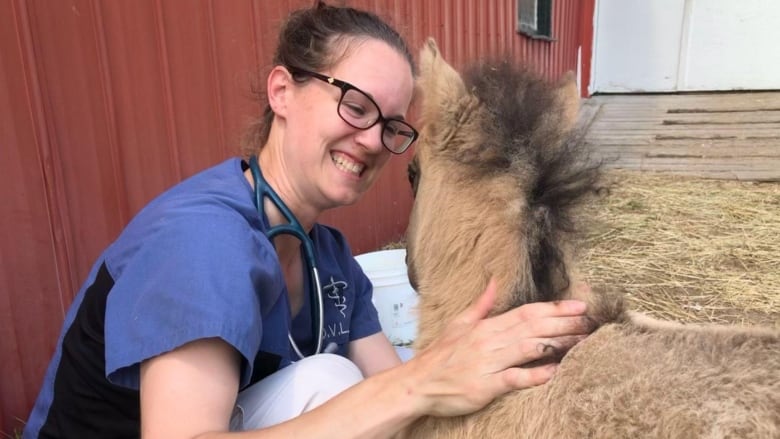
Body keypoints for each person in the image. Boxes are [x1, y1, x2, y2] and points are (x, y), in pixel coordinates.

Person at [23, 2, 593, 438]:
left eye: (392, 125)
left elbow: (387, 382)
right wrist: (423, 381)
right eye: (355, 104)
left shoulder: (330, 257)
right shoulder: (201, 243)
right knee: (329, 384)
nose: (371, 139)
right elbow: (401, 390)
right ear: (282, 93)